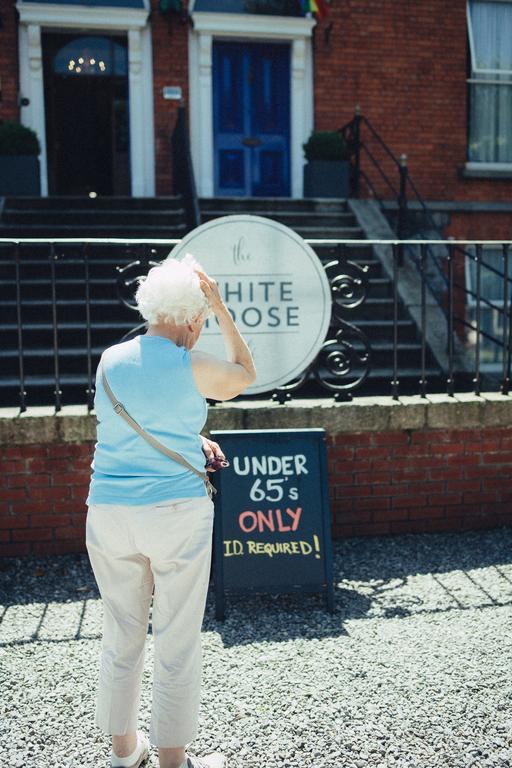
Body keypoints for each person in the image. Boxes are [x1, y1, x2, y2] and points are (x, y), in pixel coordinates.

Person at [85, 254, 256, 768]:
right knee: (176, 638)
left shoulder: (111, 359)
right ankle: (172, 761)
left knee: (121, 632)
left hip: (108, 510)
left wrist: (192, 437)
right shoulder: (190, 363)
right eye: (201, 318)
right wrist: (223, 308)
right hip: (175, 512)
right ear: (191, 317)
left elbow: (135, 423)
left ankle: (122, 752)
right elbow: (245, 373)